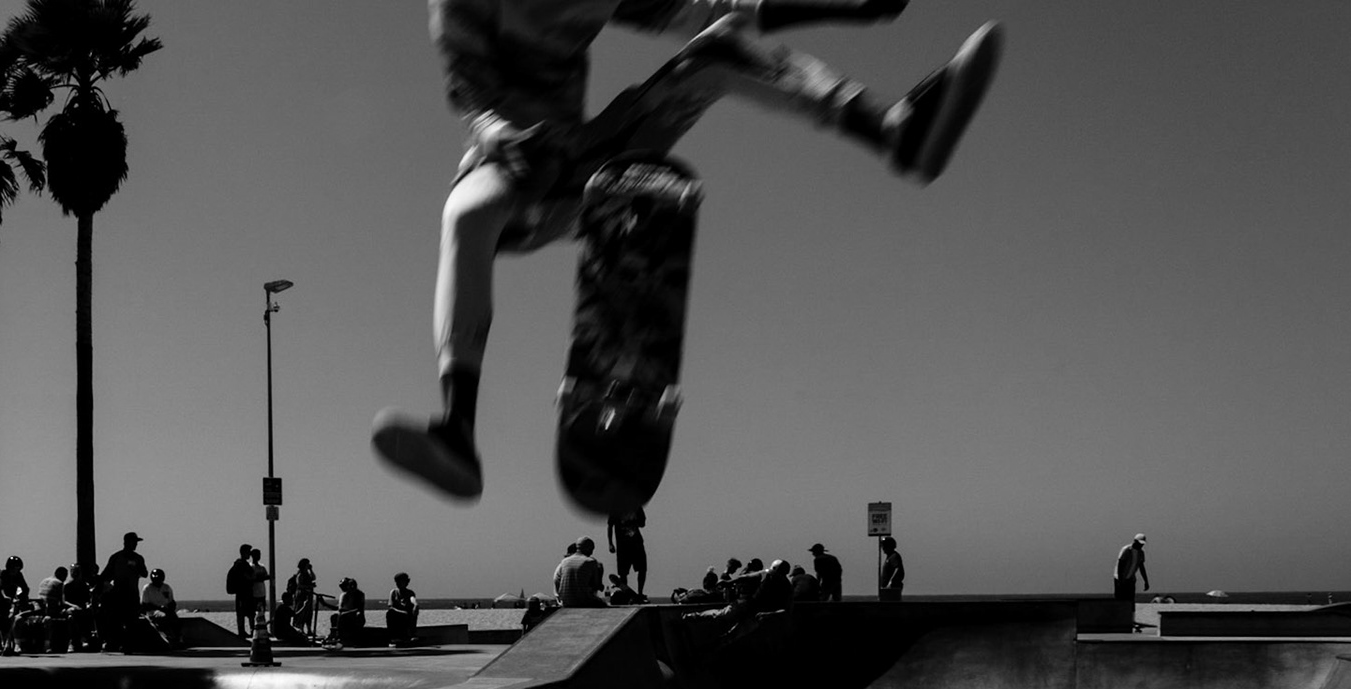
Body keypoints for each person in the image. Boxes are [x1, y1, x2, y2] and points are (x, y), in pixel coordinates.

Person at [370, 0, 1003, 502]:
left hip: (588, 165)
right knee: (467, 212)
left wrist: (847, 7)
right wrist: (501, 133)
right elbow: (467, 90)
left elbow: (716, 6)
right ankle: (457, 432)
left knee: (720, 46)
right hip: (512, 176)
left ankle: (894, 130)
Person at [553, 536, 606, 606]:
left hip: (565, 602)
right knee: (603, 603)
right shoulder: (590, 561)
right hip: (583, 601)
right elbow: (596, 585)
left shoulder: (564, 561)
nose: (592, 553)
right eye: (591, 549)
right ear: (588, 548)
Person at [607, 509, 648, 599]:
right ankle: (625, 591)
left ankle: (640, 592)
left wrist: (635, 520)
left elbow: (642, 524)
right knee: (623, 572)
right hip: (622, 546)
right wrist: (610, 543)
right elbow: (610, 526)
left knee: (642, 569)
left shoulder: (637, 506)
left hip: (637, 544)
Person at [226, 543, 256, 639]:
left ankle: (246, 630)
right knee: (242, 613)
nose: (250, 555)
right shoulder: (240, 565)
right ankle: (242, 631)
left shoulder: (243, 564)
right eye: (248, 552)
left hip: (245, 592)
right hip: (242, 592)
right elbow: (247, 577)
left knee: (248, 612)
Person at [331, 576, 367, 646]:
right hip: (345, 614)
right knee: (334, 616)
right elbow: (339, 607)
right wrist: (324, 604)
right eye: (350, 586)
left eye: (353, 586)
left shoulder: (360, 595)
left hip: (354, 615)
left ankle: (340, 636)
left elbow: (359, 609)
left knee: (343, 616)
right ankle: (335, 635)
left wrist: (347, 612)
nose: (352, 588)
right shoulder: (345, 595)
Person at [1113, 533, 1149, 603]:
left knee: (1130, 600)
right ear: (1135, 541)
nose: (1141, 545)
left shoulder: (1141, 553)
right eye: (1140, 543)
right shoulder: (1126, 550)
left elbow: (1141, 567)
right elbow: (1120, 565)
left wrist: (1146, 581)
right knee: (1119, 600)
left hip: (1130, 579)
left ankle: (1130, 613)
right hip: (1120, 578)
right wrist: (1120, 581)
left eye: (1142, 544)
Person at [387, 572, 420, 644]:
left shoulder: (410, 592)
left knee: (412, 611)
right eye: (397, 582)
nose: (398, 583)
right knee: (390, 613)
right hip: (397, 613)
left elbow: (412, 599)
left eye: (400, 581)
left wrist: (415, 605)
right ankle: (394, 636)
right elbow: (390, 606)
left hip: (408, 614)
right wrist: (401, 612)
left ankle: (412, 634)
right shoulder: (393, 592)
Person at [878, 534, 904, 601]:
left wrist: (891, 582)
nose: (883, 548)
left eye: (884, 545)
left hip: (892, 589)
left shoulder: (894, 556)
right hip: (887, 589)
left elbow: (897, 569)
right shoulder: (889, 557)